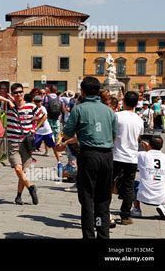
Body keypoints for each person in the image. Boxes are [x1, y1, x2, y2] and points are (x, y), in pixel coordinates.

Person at [62, 77, 117, 239]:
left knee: (87, 198)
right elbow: (113, 135)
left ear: (83, 92)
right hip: (107, 156)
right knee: (103, 198)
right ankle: (102, 234)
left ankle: (88, 236)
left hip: (88, 155)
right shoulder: (109, 111)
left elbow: (67, 133)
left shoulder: (79, 109)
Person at [0, 83, 46, 205]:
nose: (19, 94)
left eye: (20, 92)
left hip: (26, 143)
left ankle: (18, 196)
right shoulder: (8, 106)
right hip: (13, 143)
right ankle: (31, 187)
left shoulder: (31, 107)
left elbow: (43, 116)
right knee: (17, 168)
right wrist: (7, 100)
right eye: (15, 93)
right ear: (12, 94)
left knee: (23, 172)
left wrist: (35, 129)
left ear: (23, 92)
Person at [112, 91, 144, 225]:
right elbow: (138, 138)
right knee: (129, 186)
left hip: (116, 155)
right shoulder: (139, 120)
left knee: (108, 183)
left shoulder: (117, 116)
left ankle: (104, 211)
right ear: (136, 104)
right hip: (131, 158)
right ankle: (125, 215)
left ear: (123, 101)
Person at [132, 136, 165, 220]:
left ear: (149, 145)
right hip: (161, 198)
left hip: (142, 196)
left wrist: (147, 149)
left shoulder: (142, 155)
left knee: (132, 182)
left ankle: (136, 208)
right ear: (162, 146)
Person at [33, 95, 61, 162]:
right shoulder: (33, 109)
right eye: (36, 101)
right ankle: (26, 161)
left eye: (39, 101)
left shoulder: (43, 108)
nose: (38, 103)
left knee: (53, 146)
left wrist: (37, 126)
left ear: (41, 102)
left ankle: (59, 161)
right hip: (38, 132)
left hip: (46, 131)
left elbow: (44, 117)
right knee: (31, 146)